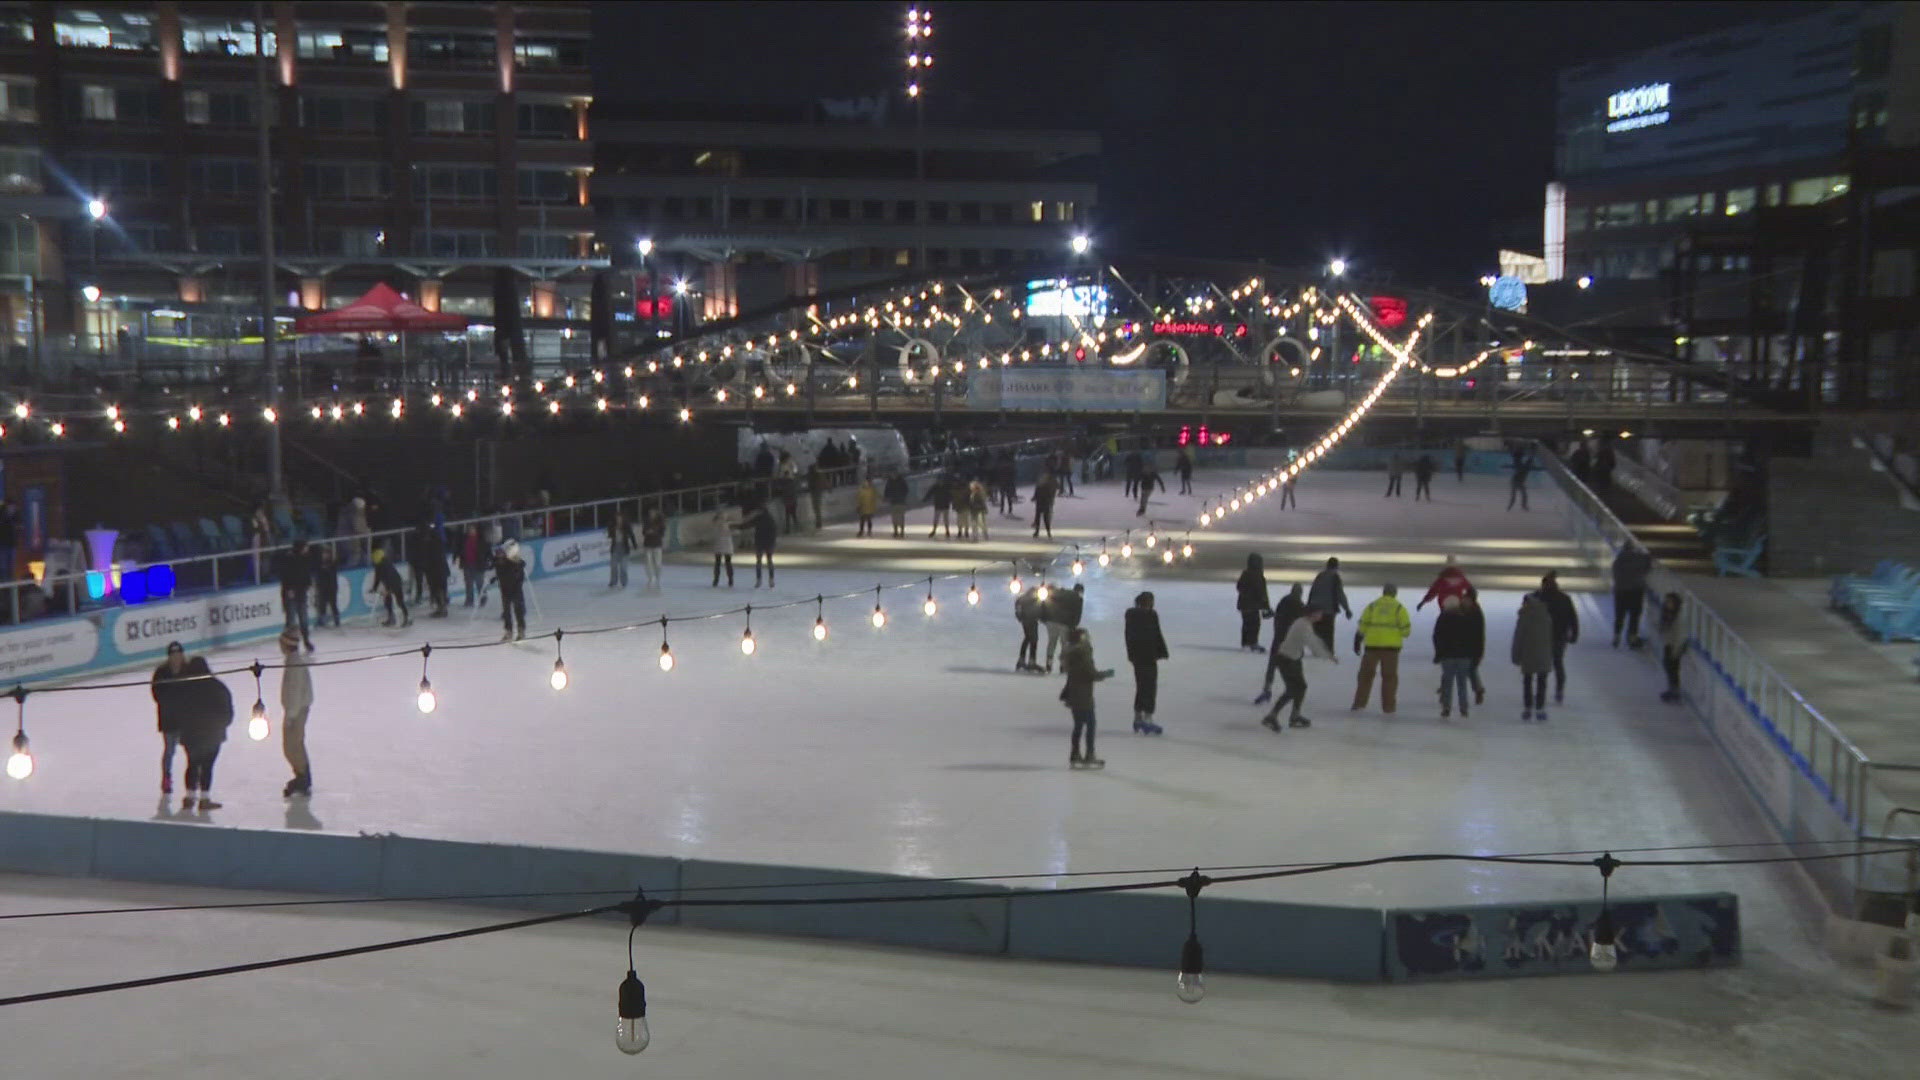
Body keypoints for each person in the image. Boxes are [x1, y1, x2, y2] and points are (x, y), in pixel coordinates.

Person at [1261, 606, 1336, 730]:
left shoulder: (1303, 622)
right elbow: (1312, 643)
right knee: (1293, 689)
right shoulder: (1303, 626)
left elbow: (1314, 640)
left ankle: (1294, 716)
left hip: (1292, 659)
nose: (1321, 615)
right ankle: (1272, 716)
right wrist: (1327, 655)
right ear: (1313, 614)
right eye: (1319, 613)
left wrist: (1326, 653)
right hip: (1286, 659)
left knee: (1300, 687)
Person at [178, 656, 233, 812]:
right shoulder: (218, 687)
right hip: (213, 735)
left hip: (191, 735)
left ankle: (189, 797)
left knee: (192, 764)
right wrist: (220, 727)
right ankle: (205, 798)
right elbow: (227, 712)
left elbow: (178, 711)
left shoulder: (185, 688)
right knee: (207, 766)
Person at [1351, 583, 1412, 713]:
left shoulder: (1372, 606)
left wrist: (1357, 641)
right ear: (1395, 593)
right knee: (1389, 678)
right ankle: (1389, 707)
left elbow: (1362, 625)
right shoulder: (1399, 608)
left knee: (1365, 676)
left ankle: (1359, 703)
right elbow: (1406, 631)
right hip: (1391, 649)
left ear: (1383, 592)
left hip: (1371, 647)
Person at [1059, 626, 1112, 769]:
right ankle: (1089, 754)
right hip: (1083, 695)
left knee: (1078, 726)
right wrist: (1106, 674)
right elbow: (1091, 674)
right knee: (1090, 725)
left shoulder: (1069, 654)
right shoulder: (1083, 654)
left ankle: (1075, 754)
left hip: (1073, 694)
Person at [151, 642, 198, 794]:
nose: (176, 658)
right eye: (173, 655)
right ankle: (166, 778)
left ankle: (193, 778)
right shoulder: (161, 672)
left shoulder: (188, 669)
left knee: (191, 750)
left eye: (178, 655)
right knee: (170, 750)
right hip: (169, 719)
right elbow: (157, 693)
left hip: (186, 719)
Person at [1124, 591, 1168, 735]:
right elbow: (1155, 634)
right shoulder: (1147, 616)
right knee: (1148, 686)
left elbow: (1130, 636)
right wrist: (1161, 651)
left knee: (1142, 685)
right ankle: (1147, 717)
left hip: (1140, 657)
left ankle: (1138, 716)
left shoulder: (1133, 615)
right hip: (1146, 656)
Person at [1254, 584, 1306, 704]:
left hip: (1278, 639)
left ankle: (1267, 690)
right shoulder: (1300, 605)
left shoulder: (1283, 601)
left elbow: (1278, 619)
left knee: (1272, 666)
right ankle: (1294, 691)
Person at [1431, 595, 1480, 719]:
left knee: (1447, 682)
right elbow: (1472, 638)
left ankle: (1446, 707)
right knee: (1462, 683)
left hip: (1447, 656)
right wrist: (1472, 654)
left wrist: (1439, 653)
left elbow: (1437, 637)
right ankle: (1464, 708)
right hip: (1464, 656)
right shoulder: (1466, 618)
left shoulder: (1442, 618)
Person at [278, 630, 314, 798]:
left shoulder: (294, 663)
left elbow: (294, 690)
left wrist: (290, 716)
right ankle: (302, 777)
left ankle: (303, 778)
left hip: (297, 710)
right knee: (294, 745)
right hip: (298, 708)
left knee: (292, 746)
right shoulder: (293, 660)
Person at [1535, 571, 1579, 704]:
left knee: (1542, 666)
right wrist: (1574, 633)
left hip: (1543, 637)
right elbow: (1573, 618)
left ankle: (1540, 693)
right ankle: (1559, 690)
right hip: (1560, 637)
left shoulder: (1539, 598)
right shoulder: (1564, 598)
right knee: (1558, 663)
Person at [1511, 591, 1556, 721]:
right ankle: (1540, 707)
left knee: (1527, 681)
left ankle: (1528, 707)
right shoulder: (1546, 614)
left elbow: (1519, 636)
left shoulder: (1524, 615)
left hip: (1528, 653)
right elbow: (1551, 635)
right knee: (1542, 682)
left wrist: (1516, 655)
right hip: (1543, 653)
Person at [273, 539, 314, 652]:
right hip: (291, 594)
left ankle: (306, 641)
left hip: (301, 593)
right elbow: (285, 576)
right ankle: (289, 643)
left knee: (304, 619)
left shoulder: (306, 559)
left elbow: (306, 574)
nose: (307, 549)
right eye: (305, 547)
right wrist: (289, 589)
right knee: (291, 621)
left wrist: (308, 585)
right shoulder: (289, 559)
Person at [1611, 542, 1653, 648]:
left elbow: (1615, 575)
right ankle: (1632, 637)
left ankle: (1617, 635)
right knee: (1634, 615)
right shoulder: (1639, 558)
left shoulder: (1618, 561)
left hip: (1620, 591)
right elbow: (1647, 565)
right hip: (1636, 590)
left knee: (1619, 615)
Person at [1308, 557, 1351, 652]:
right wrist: (1347, 609)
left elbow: (1312, 591)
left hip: (1316, 609)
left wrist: (1309, 607)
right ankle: (1327, 652)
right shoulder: (1335, 577)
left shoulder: (1320, 576)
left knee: (1318, 631)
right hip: (1329, 610)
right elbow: (1340, 594)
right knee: (1328, 632)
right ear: (1336, 566)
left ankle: (1317, 651)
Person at [490, 538, 530, 640]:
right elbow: (499, 574)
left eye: (501, 554)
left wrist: (519, 568)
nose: (499, 556)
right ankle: (508, 631)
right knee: (506, 612)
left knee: (518, 611)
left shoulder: (514, 563)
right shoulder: (498, 564)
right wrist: (495, 578)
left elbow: (519, 575)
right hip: (505, 590)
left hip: (516, 590)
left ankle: (521, 631)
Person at [1043, 582, 1085, 673]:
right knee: (1064, 644)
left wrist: (1045, 619)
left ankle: (1049, 664)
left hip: (1052, 621)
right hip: (1064, 623)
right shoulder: (1078, 599)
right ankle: (1063, 665)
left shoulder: (1062, 593)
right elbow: (1077, 615)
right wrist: (1073, 626)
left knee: (1052, 642)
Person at [1235, 553, 1271, 651]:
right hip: (1253, 605)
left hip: (1244, 605)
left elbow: (1239, 587)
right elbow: (1262, 593)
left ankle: (1246, 642)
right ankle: (1252, 642)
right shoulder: (1258, 576)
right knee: (1254, 624)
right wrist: (1266, 606)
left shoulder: (1245, 574)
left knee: (1246, 624)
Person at [370, 545, 411, 628]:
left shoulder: (381, 566)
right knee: (394, 600)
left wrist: (388, 590)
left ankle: (403, 618)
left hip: (393, 583)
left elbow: (382, 578)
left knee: (396, 601)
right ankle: (396, 618)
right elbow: (378, 578)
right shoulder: (386, 562)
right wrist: (375, 588)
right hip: (396, 581)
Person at [1460, 587, 1488, 707]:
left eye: (1466, 598)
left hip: (1471, 647)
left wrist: (1479, 651)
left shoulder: (1476, 613)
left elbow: (1479, 634)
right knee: (1460, 669)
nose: (1464, 599)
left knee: (1470, 670)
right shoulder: (1462, 610)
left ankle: (1478, 690)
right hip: (1461, 645)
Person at [1657, 592, 1687, 704]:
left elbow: (1680, 634)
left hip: (1676, 645)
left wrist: (1676, 650)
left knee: (1673, 669)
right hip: (1668, 644)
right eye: (1667, 601)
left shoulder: (1679, 617)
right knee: (1668, 667)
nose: (1667, 604)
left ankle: (1675, 691)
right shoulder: (1666, 614)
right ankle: (1671, 689)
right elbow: (1663, 629)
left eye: (1670, 602)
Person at [417, 524, 451, 617]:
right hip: (438, 570)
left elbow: (430, 558)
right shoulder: (436, 542)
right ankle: (441, 608)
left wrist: (425, 567)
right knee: (440, 589)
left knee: (438, 589)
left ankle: (442, 609)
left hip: (436, 571)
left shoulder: (431, 544)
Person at [1015, 584, 1045, 673]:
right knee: (1033, 639)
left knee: (1028, 638)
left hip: (1026, 621)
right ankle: (1031, 661)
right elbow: (1040, 610)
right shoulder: (1034, 599)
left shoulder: (1022, 598)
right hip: (1031, 621)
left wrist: (1020, 618)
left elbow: (1018, 609)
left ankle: (1022, 660)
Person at [749, 498, 778, 587]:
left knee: (759, 561)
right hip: (768, 542)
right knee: (769, 561)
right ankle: (770, 579)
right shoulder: (770, 518)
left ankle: (760, 580)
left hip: (761, 542)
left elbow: (748, 524)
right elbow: (774, 531)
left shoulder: (759, 518)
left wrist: (735, 526)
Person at [311, 543, 341, 627]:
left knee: (333, 603)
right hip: (322, 586)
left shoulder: (333, 563)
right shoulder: (318, 564)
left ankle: (336, 620)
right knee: (322, 604)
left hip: (331, 586)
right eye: (323, 553)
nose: (325, 555)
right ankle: (322, 620)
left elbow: (332, 572)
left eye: (326, 553)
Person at [608, 510, 639, 589]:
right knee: (614, 566)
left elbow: (632, 535)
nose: (618, 520)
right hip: (615, 547)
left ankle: (624, 582)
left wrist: (635, 545)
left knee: (623, 567)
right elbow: (610, 535)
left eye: (620, 518)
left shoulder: (626, 526)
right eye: (617, 518)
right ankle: (613, 581)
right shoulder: (612, 526)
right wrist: (612, 530)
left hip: (624, 548)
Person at [459, 525, 487, 607]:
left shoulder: (480, 540)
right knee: (468, 584)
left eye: (472, 529)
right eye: (469, 530)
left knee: (480, 583)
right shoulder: (464, 540)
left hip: (478, 564)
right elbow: (461, 550)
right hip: (467, 564)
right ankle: (469, 600)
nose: (471, 531)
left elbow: (484, 551)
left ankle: (483, 599)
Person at [710, 505, 737, 586]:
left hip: (719, 544)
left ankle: (716, 580)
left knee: (718, 562)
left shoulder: (715, 522)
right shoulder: (728, 524)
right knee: (728, 562)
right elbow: (734, 532)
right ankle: (730, 580)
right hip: (727, 544)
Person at [640, 508, 666, 590]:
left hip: (657, 544)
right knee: (648, 563)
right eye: (650, 513)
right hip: (648, 544)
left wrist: (654, 532)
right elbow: (643, 532)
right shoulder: (646, 522)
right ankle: (650, 578)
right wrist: (647, 532)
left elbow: (662, 533)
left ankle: (658, 578)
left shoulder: (660, 522)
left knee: (658, 563)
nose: (651, 514)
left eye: (653, 513)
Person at [925, 474, 953, 538]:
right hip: (939, 505)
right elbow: (929, 493)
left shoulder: (945, 487)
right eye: (939, 480)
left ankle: (947, 531)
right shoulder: (936, 487)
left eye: (941, 480)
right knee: (936, 519)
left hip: (944, 505)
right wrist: (925, 499)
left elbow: (950, 495)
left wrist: (951, 500)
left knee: (945, 519)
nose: (940, 481)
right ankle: (934, 530)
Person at [884, 471, 910, 539]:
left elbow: (906, 490)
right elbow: (886, 491)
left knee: (901, 517)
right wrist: (887, 497)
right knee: (894, 518)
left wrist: (902, 496)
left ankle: (901, 531)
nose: (892, 475)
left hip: (900, 502)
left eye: (893, 474)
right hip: (894, 502)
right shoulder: (890, 482)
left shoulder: (901, 481)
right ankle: (896, 531)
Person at [1032, 471, 1057, 538]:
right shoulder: (1051, 482)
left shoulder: (1041, 483)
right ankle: (1047, 532)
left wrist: (1034, 497)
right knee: (1044, 517)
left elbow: (1037, 491)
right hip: (1045, 502)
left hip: (1041, 501)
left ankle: (1038, 531)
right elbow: (1053, 491)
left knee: (1039, 516)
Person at [806, 462, 828, 531]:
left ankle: (818, 522)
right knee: (817, 508)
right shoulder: (820, 474)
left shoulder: (812, 475)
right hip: (818, 492)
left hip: (815, 492)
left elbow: (810, 484)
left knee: (816, 508)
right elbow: (824, 482)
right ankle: (819, 521)